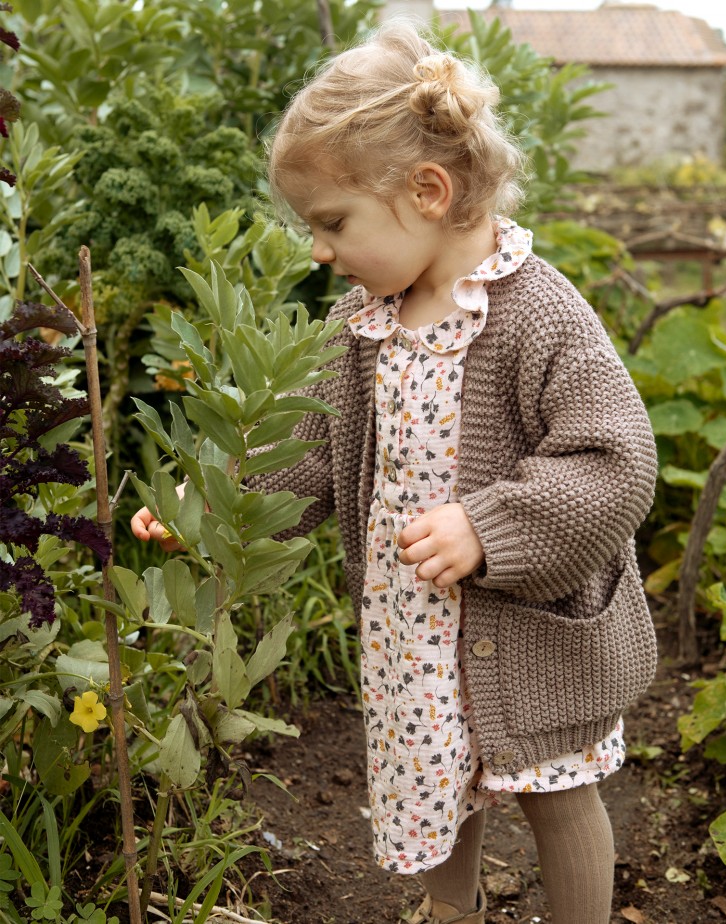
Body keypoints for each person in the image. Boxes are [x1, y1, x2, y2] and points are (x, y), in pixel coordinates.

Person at [131, 20, 658, 924]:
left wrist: (489, 528)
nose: (320, 252)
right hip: (412, 635)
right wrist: (208, 511)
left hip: (527, 633)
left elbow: (616, 461)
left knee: (557, 793)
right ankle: (448, 914)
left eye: (333, 223)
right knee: (434, 787)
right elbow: (309, 458)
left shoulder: (539, 314)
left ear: (426, 190)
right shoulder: (361, 329)